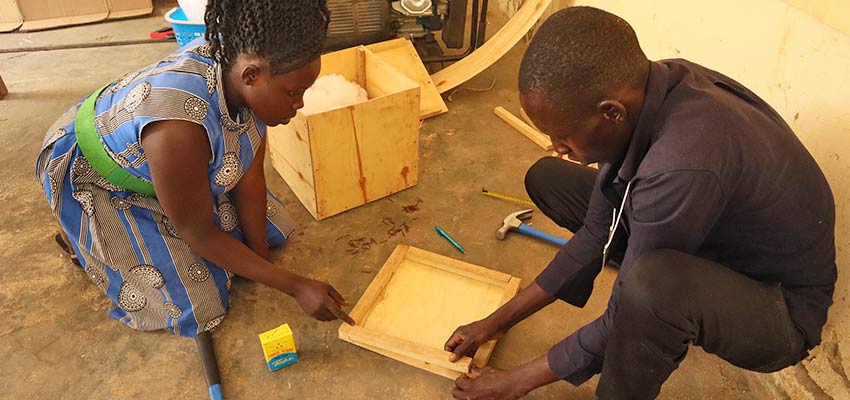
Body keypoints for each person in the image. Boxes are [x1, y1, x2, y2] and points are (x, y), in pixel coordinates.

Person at [445, 6, 835, 399]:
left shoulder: (681, 164)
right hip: (706, 239)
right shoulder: (648, 88)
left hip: (778, 309)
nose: (556, 147)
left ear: (611, 113)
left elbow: (622, 313)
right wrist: (497, 321)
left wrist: (518, 380)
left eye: (563, 137)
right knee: (548, 177)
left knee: (650, 289)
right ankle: (650, 264)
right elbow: (598, 229)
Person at [35, 0, 354, 344]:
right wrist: (293, 285)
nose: (300, 104)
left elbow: (249, 178)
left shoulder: (247, 73)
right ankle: (81, 237)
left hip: (171, 168)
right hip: (97, 176)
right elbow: (197, 230)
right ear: (251, 76)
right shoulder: (178, 129)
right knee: (200, 306)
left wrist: (266, 268)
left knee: (271, 228)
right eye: (293, 93)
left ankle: (168, 209)